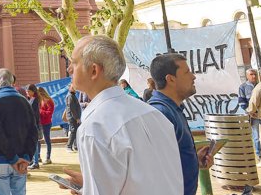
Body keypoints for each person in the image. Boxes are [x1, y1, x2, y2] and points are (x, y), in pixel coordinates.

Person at [61, 35, 183, 195]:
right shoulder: (153, 114)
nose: (69, 68)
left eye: (74, 62)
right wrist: (89, 183)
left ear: (94, 70)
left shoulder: (95, 127)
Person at [148, 53, 214, 195]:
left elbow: (171, 161)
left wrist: (194, 161)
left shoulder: (172, 109)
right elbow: (158, 170)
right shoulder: (160, 113)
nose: (193, 76)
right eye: (187, 72)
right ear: (170, 79)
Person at [0, 68, 38, 194]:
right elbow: (33, 132)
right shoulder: (25, 101)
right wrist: (26, 157)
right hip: (21, 158)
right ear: (12, 82)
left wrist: (12, 158)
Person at [239, 69, 260, 159]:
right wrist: (249, 112)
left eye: (255, 74)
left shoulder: (260, 85)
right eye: (251, 74)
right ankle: (259, 155)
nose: (254, 76)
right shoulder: (243, 87)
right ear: (247, 76)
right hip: (253, 116)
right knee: (257, 136)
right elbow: (242, 102)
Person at [25, 84, 41, 169]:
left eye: (28, 91)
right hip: (30, 124)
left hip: (33, 125)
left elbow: (35, 115)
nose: (27, 92)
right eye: (26, 91)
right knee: (32, 144)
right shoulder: (30, 99)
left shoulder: (35, 100)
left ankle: (36, 162)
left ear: (33, 91)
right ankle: (33, 161)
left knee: (34, 144)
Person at [37, 87, 54, 164]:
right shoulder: (39, 100)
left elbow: (49, 113)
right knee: (38, 140)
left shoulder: (49, 101)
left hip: (46, 123)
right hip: (40, 123)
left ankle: (48, 157)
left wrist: (40, 111)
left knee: (47, 140)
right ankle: (38, 156)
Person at [64, 83, 81, 152]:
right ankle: (69, 146)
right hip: (72, 117)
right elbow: (72, 108)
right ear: (69, 88)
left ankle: (75, 146)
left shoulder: (72, 95)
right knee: (73, 131)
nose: (74, 89)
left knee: (75, 131)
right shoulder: (70, 96)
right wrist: (77, 118)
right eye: (73, 87)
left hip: (73, 117)